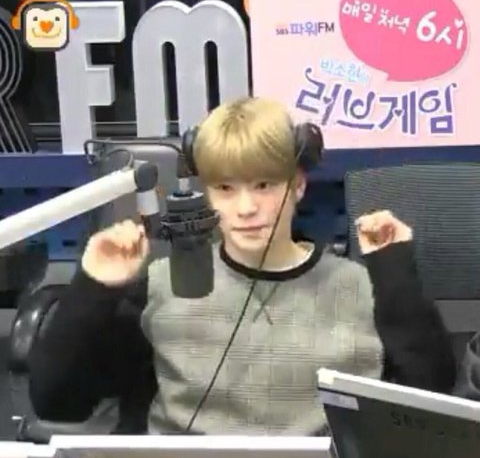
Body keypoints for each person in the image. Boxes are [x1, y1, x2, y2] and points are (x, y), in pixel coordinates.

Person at [28, 97, 455, 436]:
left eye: (264, 185)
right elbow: (58, 403)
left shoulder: (360, 286)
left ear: (298, 186)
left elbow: (432, 400)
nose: (246, 208)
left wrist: (395, 275)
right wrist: (95, 289)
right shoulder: (163, 286)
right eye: (226, 188)